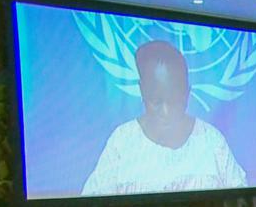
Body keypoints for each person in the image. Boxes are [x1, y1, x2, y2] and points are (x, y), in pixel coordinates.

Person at [82, 40, 247, 196]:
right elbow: (93, 206)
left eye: (174, 101)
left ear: (187, 93)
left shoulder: (211, 141)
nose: (166, 113)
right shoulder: (123, 141)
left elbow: (241, 202)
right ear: (142, 91)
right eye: (156, 102)